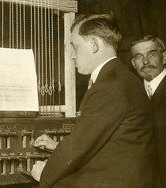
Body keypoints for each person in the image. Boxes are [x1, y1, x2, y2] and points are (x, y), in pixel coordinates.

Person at [30, 14, 156, 188]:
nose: (71, 56)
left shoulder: (110, 85)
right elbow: (107, 142)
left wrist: (45, 173)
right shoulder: (122, 77)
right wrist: (57, 147)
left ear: (94, 45)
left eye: (75, 46)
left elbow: (77, 148)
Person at [131, 35, 166, 188]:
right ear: (133, 63)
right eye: (139, 57)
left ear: (164, 57)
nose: (145, 62)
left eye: (151, 54)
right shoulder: (130, 93)